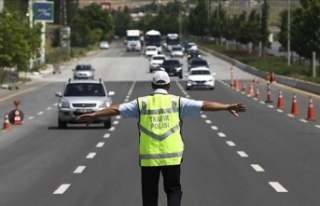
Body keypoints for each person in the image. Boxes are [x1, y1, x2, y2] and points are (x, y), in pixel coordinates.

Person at [76, 71, 247, 206]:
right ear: (169, 85)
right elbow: (205, 105)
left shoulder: (141, 103)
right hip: (172, 156)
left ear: (152, 85)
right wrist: (227, 106)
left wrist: (95, 114)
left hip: (149, 158)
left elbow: (116, 109)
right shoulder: (177, 102)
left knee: (150, 197)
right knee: (173, 191)